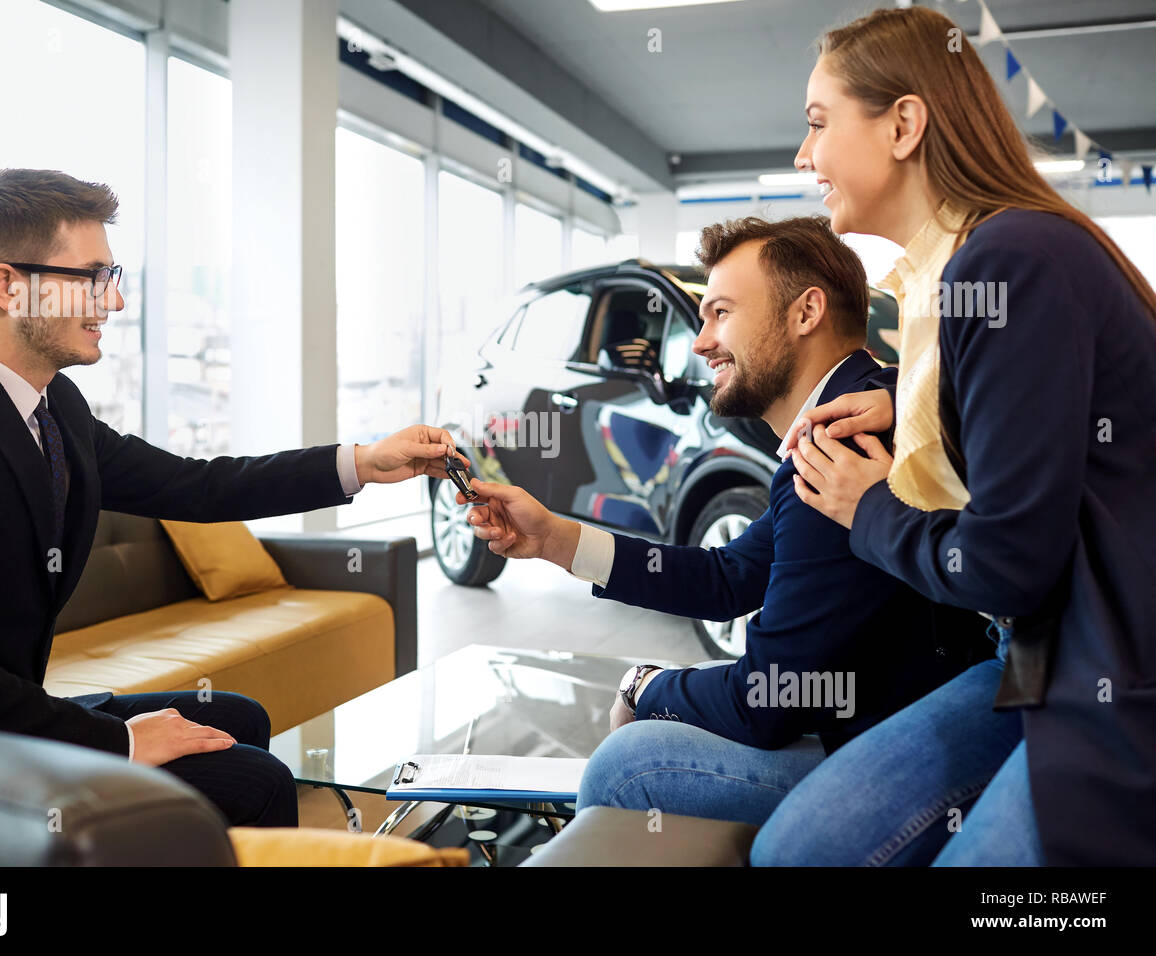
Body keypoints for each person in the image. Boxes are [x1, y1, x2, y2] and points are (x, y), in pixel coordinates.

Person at [0, 168, 468, 828]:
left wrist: (362, 462)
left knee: (238, 717)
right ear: (8, 285)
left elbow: (193, 485)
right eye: (92, 278)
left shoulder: (55, 405)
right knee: (254, 780)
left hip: (0, 710)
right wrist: (121, 741)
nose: (113, 304)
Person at [748, 7, 1156, 866]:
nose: (802, 156)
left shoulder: (1007, 261)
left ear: (903, 124)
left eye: (818, 124)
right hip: (1038, 653)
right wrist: (913, 404)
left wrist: (870, 510)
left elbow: (1008, 562)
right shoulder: (977, 265)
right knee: (797, 849)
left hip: (1103, 670)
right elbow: (1037, 403)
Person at [457, 215, 987, 827]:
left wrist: (644, 686)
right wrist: (554, 538)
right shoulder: (859, 409)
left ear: (806, 311)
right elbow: (732, 574)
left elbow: (768, 702)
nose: (702, 341)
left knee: (626, 766)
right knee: (694, 683)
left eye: (722, 313)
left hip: (891, 741)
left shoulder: (842, 447)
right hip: (878, 703)